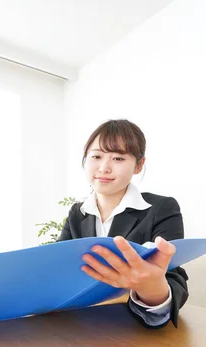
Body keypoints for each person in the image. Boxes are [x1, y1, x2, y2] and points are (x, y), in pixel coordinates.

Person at [58, 119, 189, 328]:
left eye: (118, 158)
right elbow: (59, 268)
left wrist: (151, 288)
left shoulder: (161, 209)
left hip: (133, 331)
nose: (103, 167)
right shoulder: (77, 213)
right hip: (80, 326)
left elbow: (174, 279)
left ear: (138, 165)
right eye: (96, 156)